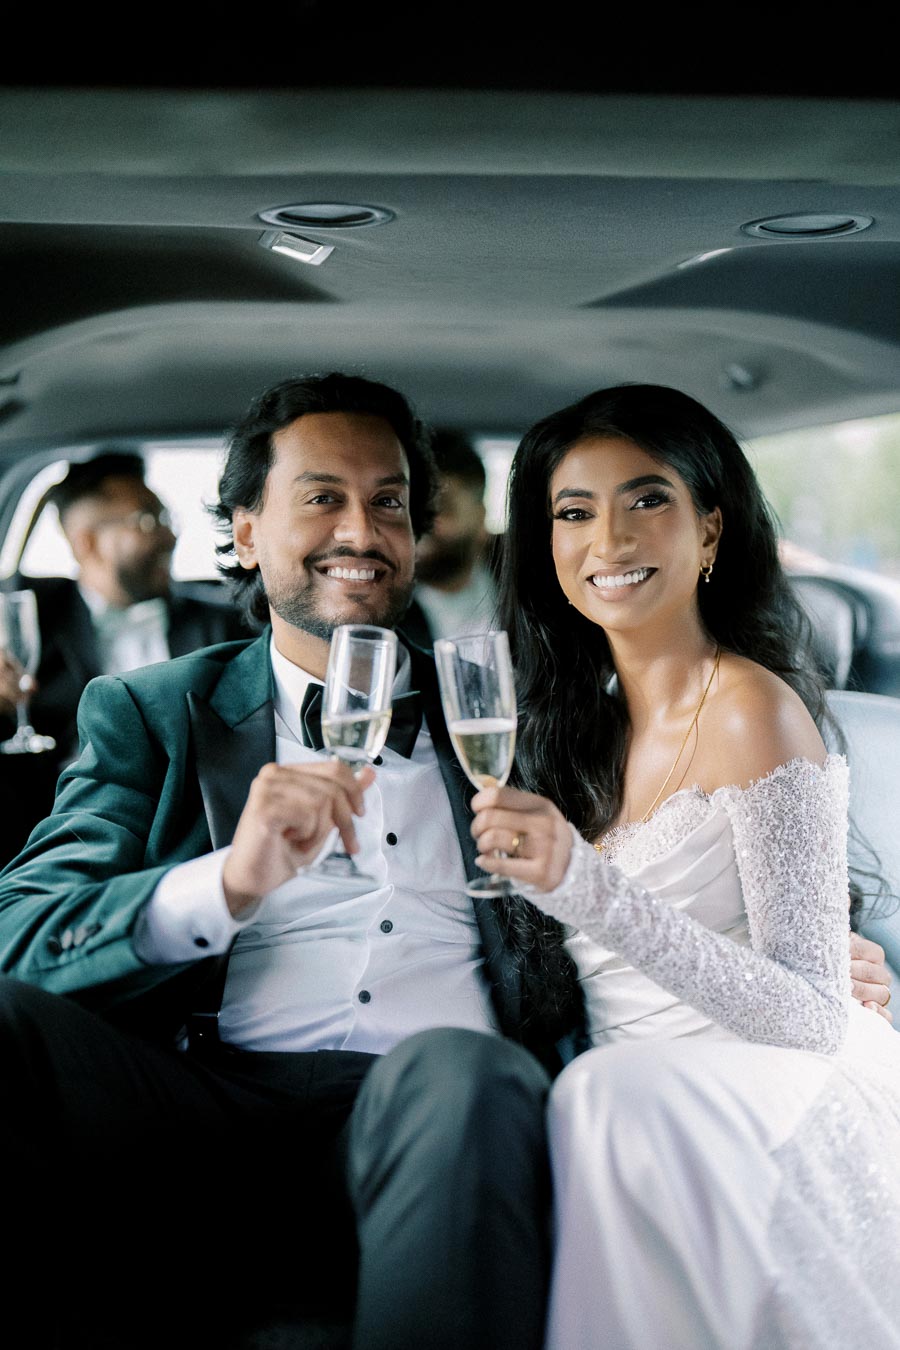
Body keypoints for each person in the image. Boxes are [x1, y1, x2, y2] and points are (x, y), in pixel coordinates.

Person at [0, 374, 584, 1350]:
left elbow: (658, 863)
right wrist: (223, 882)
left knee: (457, 1070)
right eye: (322, 497)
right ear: (241, 532)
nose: (361, 529)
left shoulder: (510, 714)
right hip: (201, 1105)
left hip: (442, 1099)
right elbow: (24, 934)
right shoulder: (149, 710)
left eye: (389, 502)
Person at [468, 383, 900, 1349]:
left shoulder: (755, 709)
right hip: (634, 1079)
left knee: (603, 1099)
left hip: (776, 1079)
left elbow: (813, 1013)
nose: (608, 541)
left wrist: (589, 888)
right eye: (574, 513)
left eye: (646, 500)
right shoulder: (563, 728)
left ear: (710, 532)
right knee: (597, 1095)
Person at [0, 451, 246, 862]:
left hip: (199, 839)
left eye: (166, 519)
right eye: (147, 522)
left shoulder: (227, 622)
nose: (169, 537)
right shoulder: (28, 619)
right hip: (66, 836)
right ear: (88, 543)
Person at [403, 428, 499, 646]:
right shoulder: (382, 613)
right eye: (407, 508)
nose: (418, 525)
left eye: (440, 507)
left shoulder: (525, 597)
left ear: (480, 517)